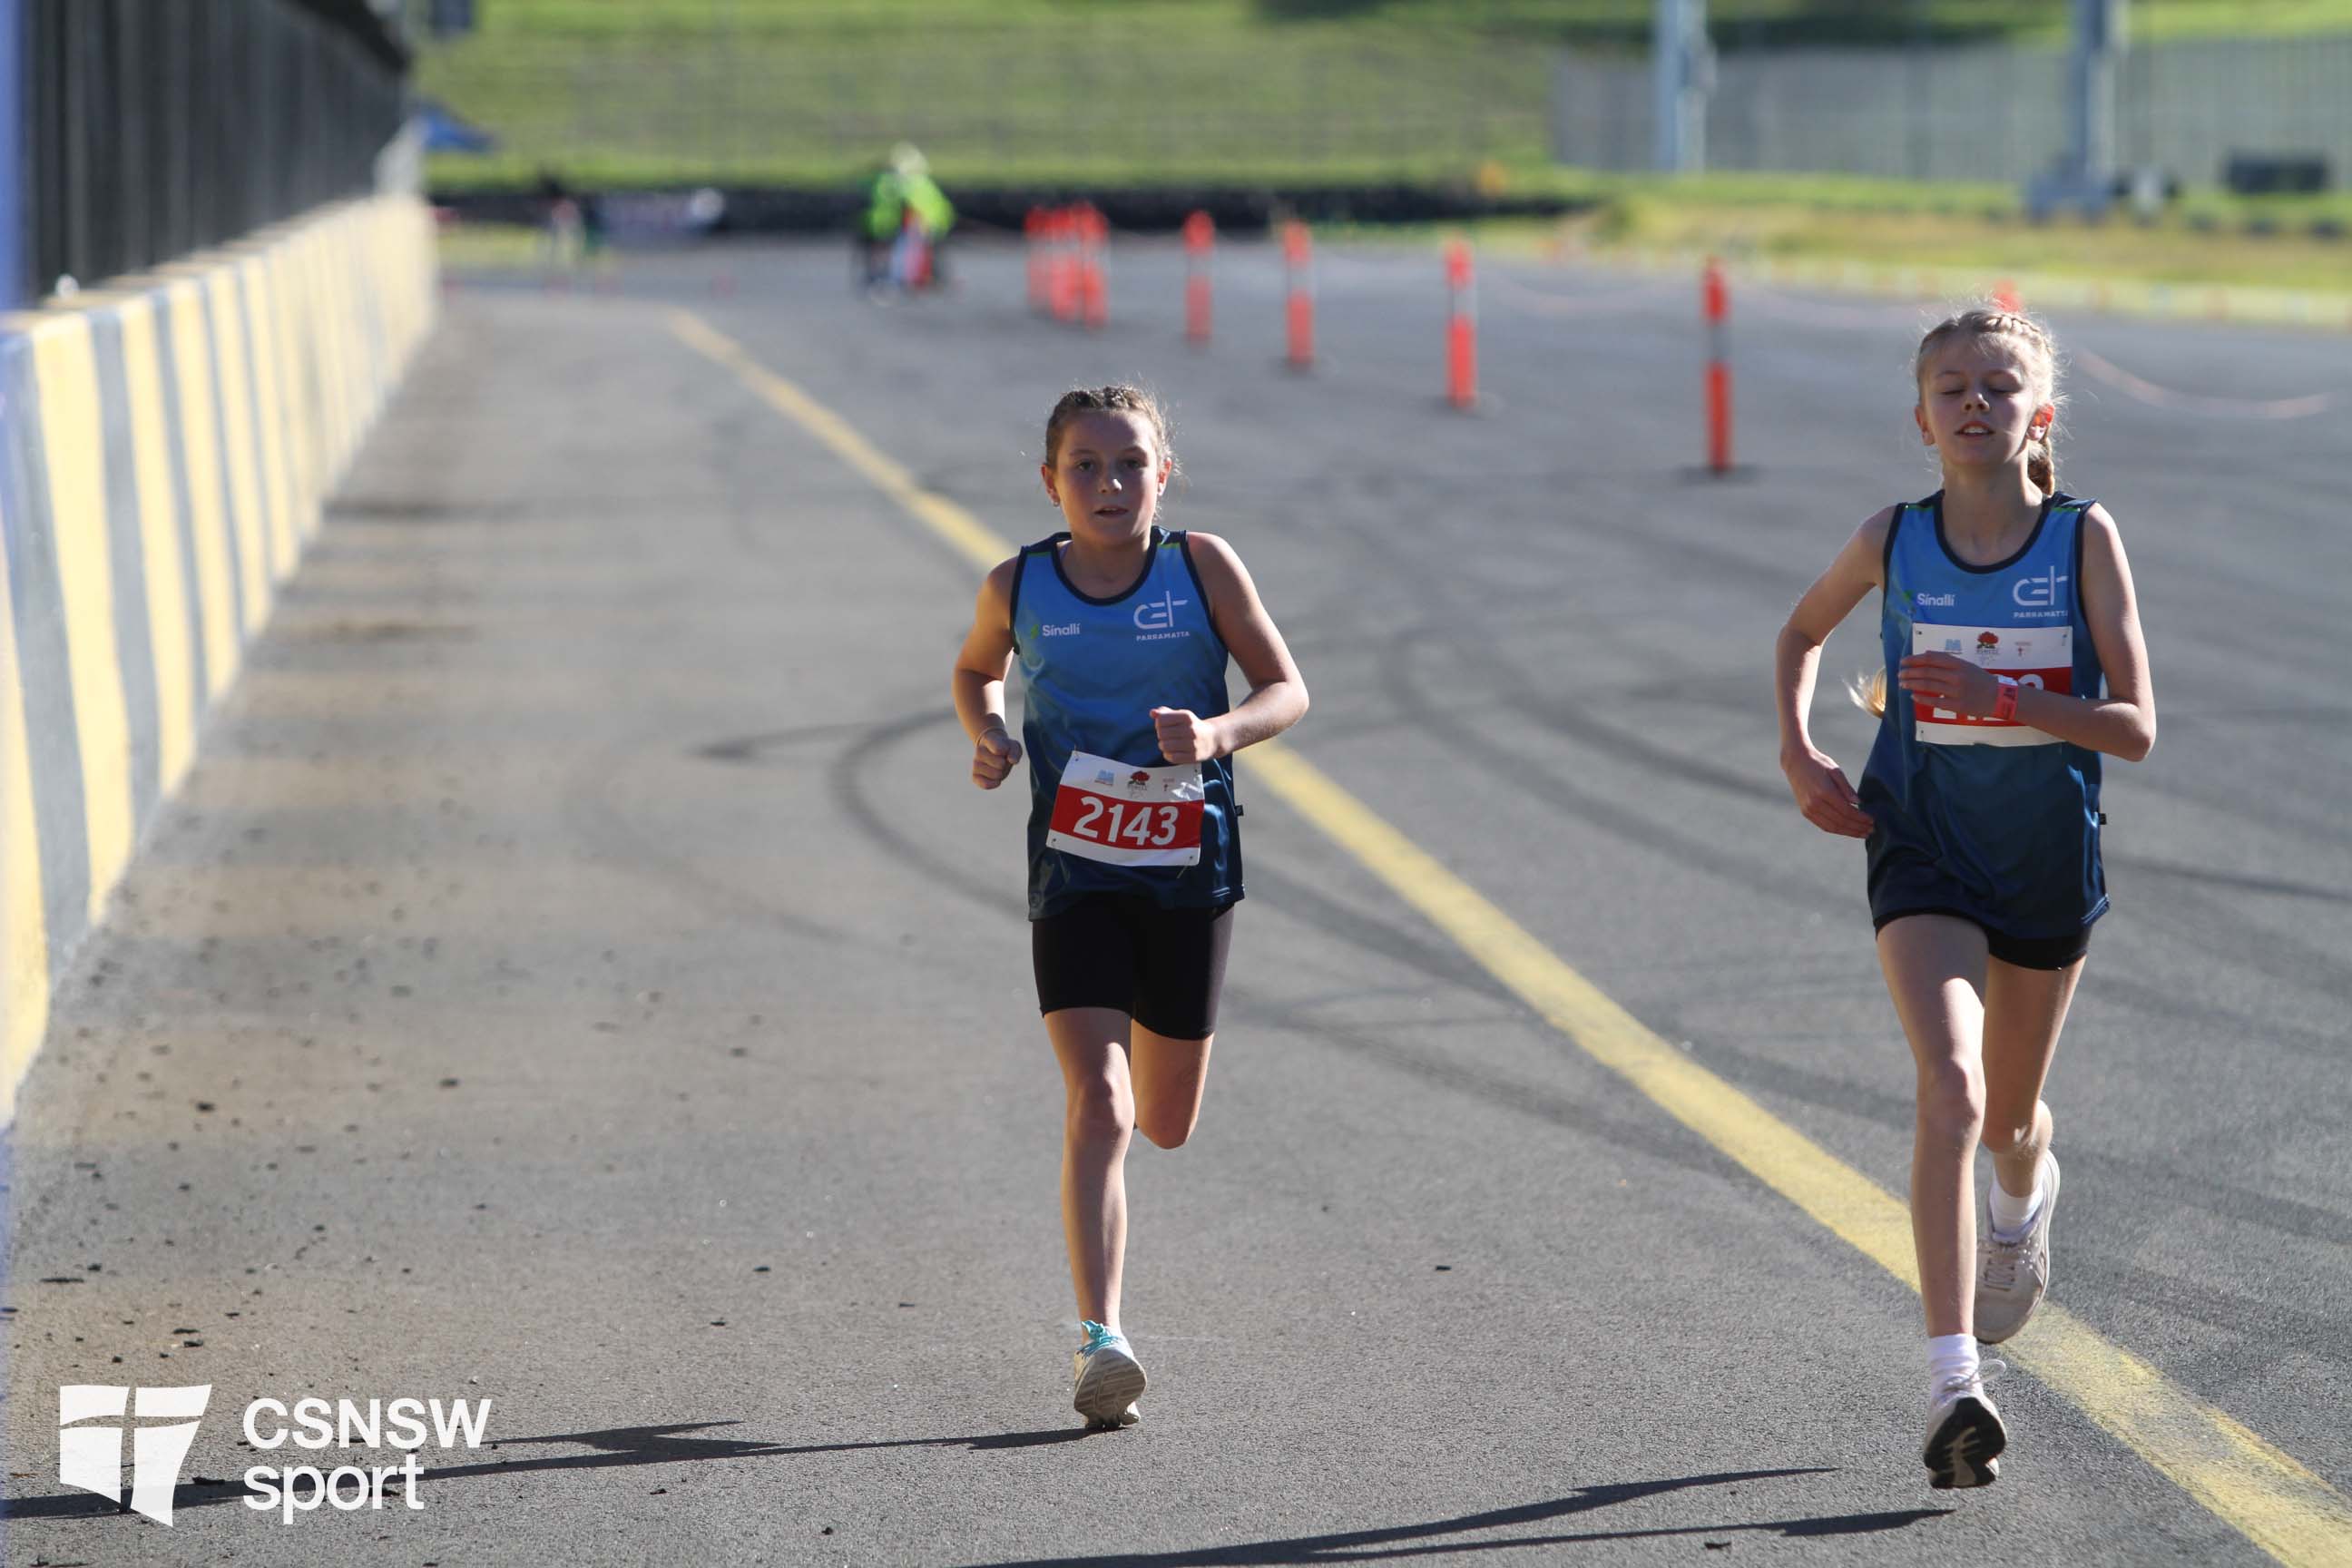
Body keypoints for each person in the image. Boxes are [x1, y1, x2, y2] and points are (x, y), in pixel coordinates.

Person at [1770, 307, 2155, 1489]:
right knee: (1951, 1086)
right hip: (1922, 844)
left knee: (2008, 1120)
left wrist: (2008, 702)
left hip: (2042, 859)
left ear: (2041, 415)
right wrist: (1800, 752)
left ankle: (2023, 1191)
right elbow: (1799, 633)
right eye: (1952, 386)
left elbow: (2135, 727)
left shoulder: (2082, 538)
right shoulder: (1892, 538)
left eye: (1999, 384)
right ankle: (1954, 1385)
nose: (1975, 401)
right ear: (1922, 419)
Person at [950, 386, 1308, 1428]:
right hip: (1076, 873)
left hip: (1188, 870)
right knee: (1100, 1103)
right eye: (1086, 466)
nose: (1109, 484)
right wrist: (989, 733)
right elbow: (975, 670)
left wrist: (1218, 734)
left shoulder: (1202, 567)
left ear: (1164, 473)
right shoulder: (1019, 583)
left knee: (1167, 1123)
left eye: (1130, 463)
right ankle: (1101, 1340)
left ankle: (1107, 1306)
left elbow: (1287, 688)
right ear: (1050, 481)